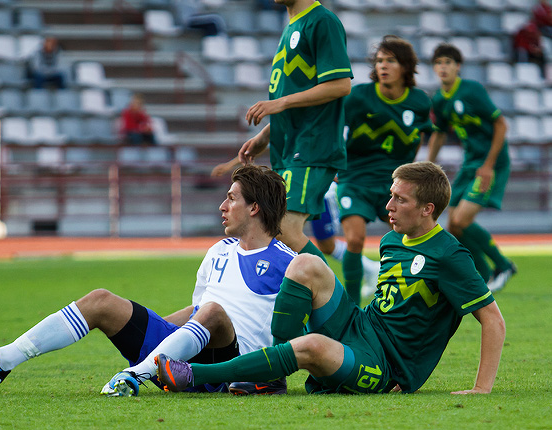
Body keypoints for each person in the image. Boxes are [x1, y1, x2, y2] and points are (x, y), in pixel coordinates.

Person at [156, 161, 506, 396]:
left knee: (311, 346)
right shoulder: (391, 240)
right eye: (390, 195)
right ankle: (272, 376)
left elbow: (492, 319)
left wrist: (481, 388)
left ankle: (196, 375)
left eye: (400, 199)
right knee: (306, 264)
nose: (389, 205)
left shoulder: (450, 255)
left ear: (428, 209)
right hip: (363, 327)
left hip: (387, 367)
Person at [0, 165, 295, 396]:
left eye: (231, 198)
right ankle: (2, 360)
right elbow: (197, 311)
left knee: (215, 312)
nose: (222, 206)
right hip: (184, 356)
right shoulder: (218, 250)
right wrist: (155, 331)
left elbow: (295, 336)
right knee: (101, 300)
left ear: (254, 208)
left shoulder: (290, 264)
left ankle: (137, 375)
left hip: (229, 372)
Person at [237, 0, 352, 263]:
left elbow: (340, 85)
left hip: (313, 145)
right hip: (291, 146)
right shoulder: (292, 25)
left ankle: (334, 300)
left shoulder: (322, 21)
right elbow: (295, 93)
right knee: (274, 231)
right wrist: (266, 135)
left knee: (285, 231)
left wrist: (279, 103)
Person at [337, 35, 432, 306]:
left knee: (410, 240)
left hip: (394, 183)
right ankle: (352, 310)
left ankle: (407, 301)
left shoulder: (419, 102)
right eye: (379, 60)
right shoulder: (359, 96)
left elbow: (426, 134)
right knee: (355, 240)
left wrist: (412, 172)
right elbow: (333, 128)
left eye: (390, 60)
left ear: (405, 67)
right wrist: (335, 160)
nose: (383, 66)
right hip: (355, 179)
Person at [211, 158, 380, 296]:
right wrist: (230, 164)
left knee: (285, 232)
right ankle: (368, 269)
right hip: (296, 171)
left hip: (312, 176)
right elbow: (267, 137)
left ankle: (333, 294)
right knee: (326, 245)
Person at [428, 43, 517, 293]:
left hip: (492, 163)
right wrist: (427, 164)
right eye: (439, 62)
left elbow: (500, 125)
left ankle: (503, 265)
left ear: (458, 67)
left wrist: (489, 165)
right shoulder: (439, 99)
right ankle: (485, 274)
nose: (443, 67)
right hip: (470, 163)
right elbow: (439, 134)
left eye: (448, 62)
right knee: (453, 226)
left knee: (462, 219)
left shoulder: (472, 90)